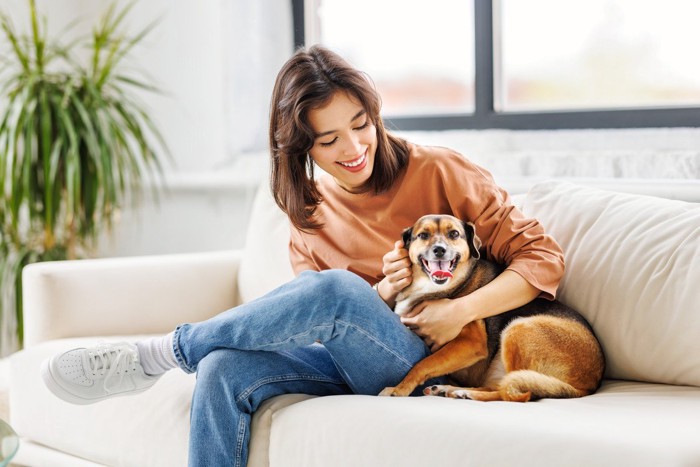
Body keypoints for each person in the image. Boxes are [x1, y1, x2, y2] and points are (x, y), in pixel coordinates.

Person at [41, 45, 564, 466]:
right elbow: (317, 320)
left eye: (362, 124)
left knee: (336, 289)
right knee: (223, 368)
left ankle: (159, 355)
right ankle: (190, 354)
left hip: (436, 362)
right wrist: (379, 292)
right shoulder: (308, 211)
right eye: (329, 140)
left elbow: (542, 259)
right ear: (302, 149)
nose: (355, 147)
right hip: (353, 353)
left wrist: (459, 310)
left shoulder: (440, 171)